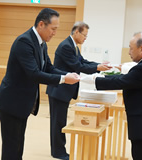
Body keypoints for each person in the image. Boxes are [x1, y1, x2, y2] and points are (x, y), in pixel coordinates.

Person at [0, 8, 80, 160]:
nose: (54, 33)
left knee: (18, 143)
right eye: (53, 29)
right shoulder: (24, 42)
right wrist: (63, 79)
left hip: (22, 103)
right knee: (11, 146)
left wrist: (65, 74)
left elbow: (49, 68)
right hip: (10, 102)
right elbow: (34, 74)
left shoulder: (42, 44)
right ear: (41, 24)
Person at [83, 32, 142, 160]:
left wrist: (93, 79)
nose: (129, 52)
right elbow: (125, 78)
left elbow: (121, 81)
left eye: (131, 48)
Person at [46, 21, 111, 159]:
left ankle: (58, 150)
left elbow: (83, 61)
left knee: (60, 121)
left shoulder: (74, 46)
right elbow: (78, 66)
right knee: (58, 122)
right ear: (76, 32)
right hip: (59, 89)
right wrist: (97, 68)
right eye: (84, 35)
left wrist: (98, 65)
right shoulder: (66, 46)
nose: (85, 38)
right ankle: (58, 152)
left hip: (63, 90)